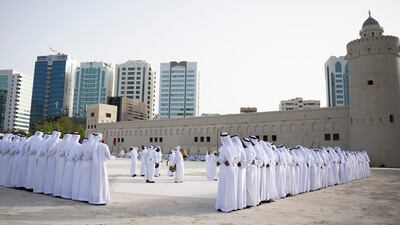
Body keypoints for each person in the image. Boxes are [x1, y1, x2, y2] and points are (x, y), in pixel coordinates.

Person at [215, 132, 237, 212]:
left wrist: (217, 162)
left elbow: (220, 159)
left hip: (225, 170)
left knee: (224, 188)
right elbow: (236, 159)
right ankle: (231, 206)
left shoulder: (224, 148)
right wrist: (230, 162)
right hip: (232, 170)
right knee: (231, 187)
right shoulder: (233, 147)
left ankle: (225, 206)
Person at [89, 133, 111, 205]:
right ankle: (102, 199)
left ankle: (94, 199)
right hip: (101, 166)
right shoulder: (104, 146)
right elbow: (109, 157)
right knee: (102, 182)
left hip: (94, 167)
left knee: (95, 182)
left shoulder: (92, 146)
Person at [61, 133, 81, 199]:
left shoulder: (68, 145)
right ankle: (69, 194)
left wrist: (68, 158)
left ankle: (64, 193)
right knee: (71, 179)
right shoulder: (78, 146)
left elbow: (65, 154)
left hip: (67, 163)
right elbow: (78, 156)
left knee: (66, 178)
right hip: (73, 164)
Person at [231, 135, 247, 210]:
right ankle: (237, 203)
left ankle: (239, 204)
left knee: (239, 187)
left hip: (240, 170)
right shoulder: (238, 148)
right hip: (238, 170)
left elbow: (240, 160)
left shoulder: (238, 148)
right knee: (238, 187)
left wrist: (234, 162)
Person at [77, 136, 93, 202]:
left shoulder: (83, 146)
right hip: (90, 165)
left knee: (83, 180)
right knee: (88, 181)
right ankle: (87, 196)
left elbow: (79, 156)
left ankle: (82, 196)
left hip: (83, 164)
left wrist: (83, 158)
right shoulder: (94, 146)